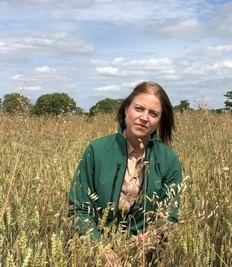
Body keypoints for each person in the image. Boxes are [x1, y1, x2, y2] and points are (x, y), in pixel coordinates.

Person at [68, 81, 182, 264]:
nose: (144, 117)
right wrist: (101, 248)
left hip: (145, 255)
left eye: (153, 113)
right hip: (97, 252)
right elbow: (79, 208)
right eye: (139, 108)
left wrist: (151, 236)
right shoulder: (97, 150)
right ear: (126, 110)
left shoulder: (168, 159)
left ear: (160, 120)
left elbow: (170, 213)